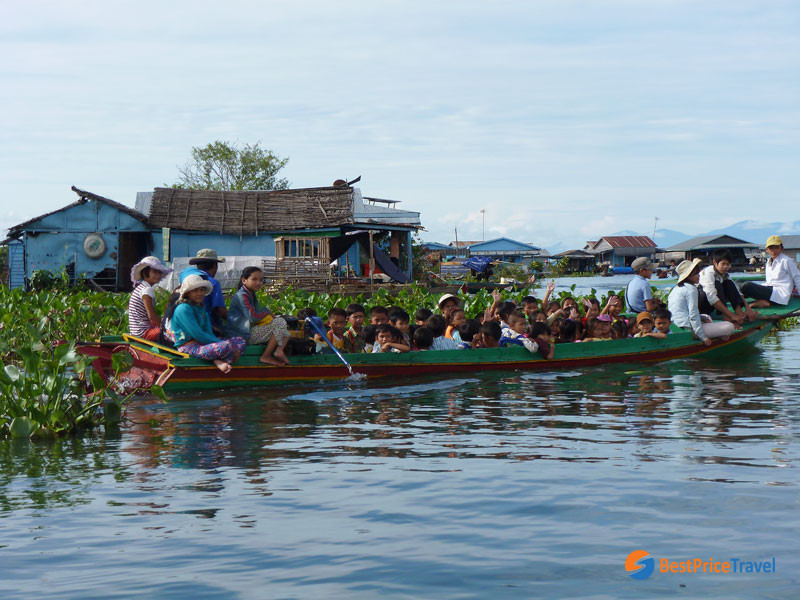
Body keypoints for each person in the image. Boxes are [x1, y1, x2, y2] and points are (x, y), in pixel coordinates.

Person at [169, 274, 246, 374]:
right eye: (195, 290)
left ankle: (217, 360)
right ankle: (216, 360)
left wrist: (218, 342)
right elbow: (197, 334)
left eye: (202, 290)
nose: (200, 293)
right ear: (187, 293)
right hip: (188, 346)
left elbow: (207, 330)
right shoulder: (183, 308)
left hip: (203, 344)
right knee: (226, 346)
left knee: (239, 341)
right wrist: (220, 344)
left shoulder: (200, 306)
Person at [224, 266, 290, 366]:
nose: (258, 282)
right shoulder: (242, 296)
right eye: (254, 279)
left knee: (286, 333)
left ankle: (278, 351)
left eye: (261, 280)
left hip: (248, 330)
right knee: (280, 322)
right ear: (244, 280)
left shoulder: (251, 294)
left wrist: (269, 314)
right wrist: (267, 312)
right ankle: (266, 356)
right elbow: (253, 317)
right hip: (241, 335)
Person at [667, 259, 735, 345]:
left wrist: (703, 319)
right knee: (729, 326)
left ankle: (714, 332)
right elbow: (693, 314)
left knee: (706, 317)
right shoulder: (691, 289)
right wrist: (703, 337)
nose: (699, 275)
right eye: (696, 274)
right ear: (688, 276)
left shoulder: (676, 288)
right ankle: (711, 334)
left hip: (675, 324)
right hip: (687, 328)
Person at [698, 249, 760, 325]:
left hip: (710, 304)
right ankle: (727, 318)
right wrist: (731, 315)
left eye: (728, 264)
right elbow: (712, 297)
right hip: (699, 306)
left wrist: (748, 308)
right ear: (715, 263)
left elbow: (737, 291)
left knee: (729, 283)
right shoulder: (708, 274)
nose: (726, 267)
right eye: (723, 264)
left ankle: (740, 314)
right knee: (717, 285)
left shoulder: (725, 275)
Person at [741, 236, 800, 307]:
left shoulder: (786, 261)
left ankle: (766, 302)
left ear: (782, 249)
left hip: (779, 293)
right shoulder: (769, 262)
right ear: (767, 250)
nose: (774, 251)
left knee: (746, 286)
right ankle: (764, 301)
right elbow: (769, 282)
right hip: (769, 289)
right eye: (771, 248)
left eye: (776, 248)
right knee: (739, 284)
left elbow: (797, 277)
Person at [180, 249, 228, 335]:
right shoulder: (212, 282)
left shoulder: (187, 280)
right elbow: (220, 310)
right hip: (206, 327)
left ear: (198, 266)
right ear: (215, 265)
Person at [128, 256, 172, 341]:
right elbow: (151, 316)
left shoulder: (141, 287)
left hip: (136, 331)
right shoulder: (147, 290)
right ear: (145, 273)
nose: (158, 275)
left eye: (159, 272)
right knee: (173, 332)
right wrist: (165, 327)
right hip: (142, 333)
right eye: (154, 272)